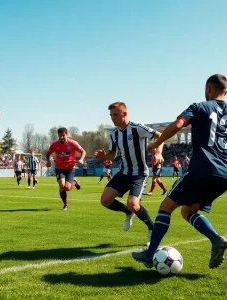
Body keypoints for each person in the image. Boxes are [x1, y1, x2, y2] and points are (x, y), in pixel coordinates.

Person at [132, 74, 227, 269]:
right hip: (224, 175)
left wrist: (157, 143)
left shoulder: (199, 107)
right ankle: (216, 239)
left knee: (166, 206)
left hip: (202, 169)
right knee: (187, 210)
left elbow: (177, 125)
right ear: (225, 92)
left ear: (208, 89)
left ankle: (150, 255)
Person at [94, 102, 164, 246]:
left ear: (124, 114)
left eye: (115, 115)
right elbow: (112, 155)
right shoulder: (113, 133)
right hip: (124, 172)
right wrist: (104, 156)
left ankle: (152, 228)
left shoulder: (137, 128)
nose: (112, 118)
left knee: (133, 203)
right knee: (105, 201)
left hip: (139, 174)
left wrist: (158, 151)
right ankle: (128, 212)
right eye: (111, 115)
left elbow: (160, 136)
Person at [46, 127, 86, 210]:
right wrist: (48, 161)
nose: (61, 137)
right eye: (60, 136)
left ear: (67, 135)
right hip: (59, 168)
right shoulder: (54, 144)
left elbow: (83, 151)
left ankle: (74, 182)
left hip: (70, 168)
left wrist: (81, 159)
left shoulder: (72, 143)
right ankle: (65, 204)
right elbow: (48, 153)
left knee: (67, 188)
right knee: (61, 185)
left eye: (63, 135)